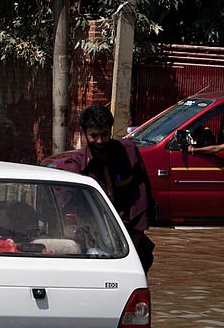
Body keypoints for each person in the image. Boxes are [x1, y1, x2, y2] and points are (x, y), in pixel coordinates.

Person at [57, 105, 155, 270]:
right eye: (94, 136)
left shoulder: (129, 154)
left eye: (104, 134)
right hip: (91, 238)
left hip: (128, 238)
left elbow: (141, 202)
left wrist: (131, 249)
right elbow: (63, 206)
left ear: (110, 131)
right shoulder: (75, 166)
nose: (100, 141)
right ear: (85, 134)